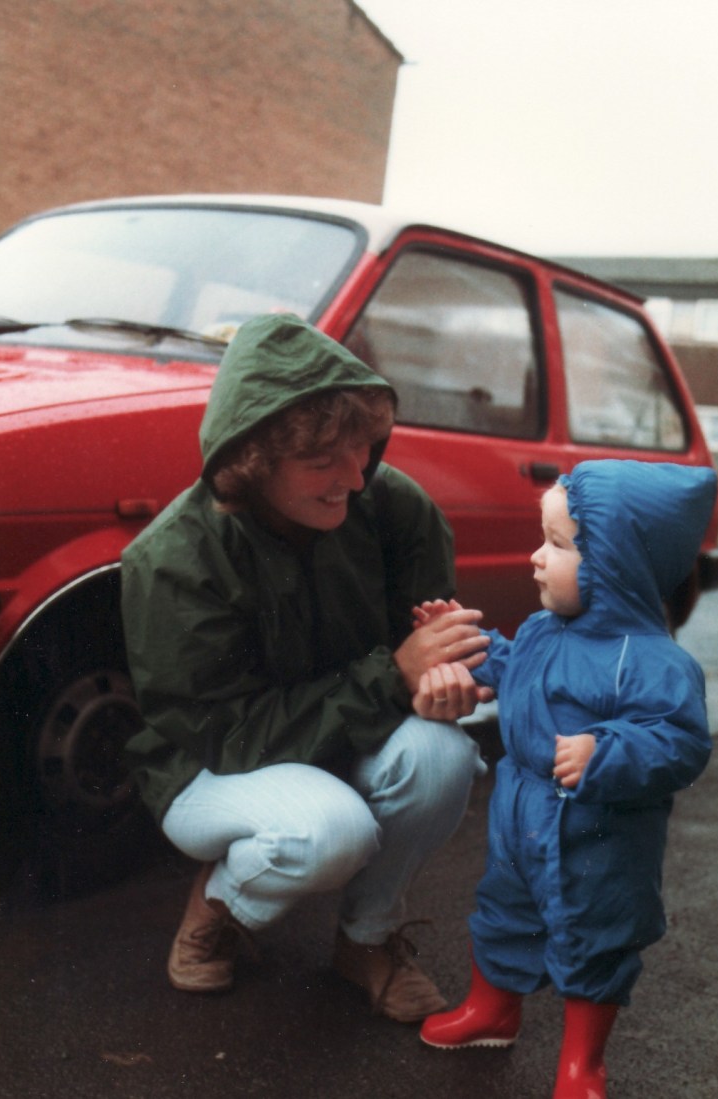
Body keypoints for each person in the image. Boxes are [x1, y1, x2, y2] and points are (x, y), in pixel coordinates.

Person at [120, 313, 492, 1023]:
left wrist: (443, 679)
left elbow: (425, 655)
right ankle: (221, 904)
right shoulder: (175, 558)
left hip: (338, 734)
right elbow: (224, 733)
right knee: (329, 832)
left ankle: (367, 939)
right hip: (210, 767)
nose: (354, 478)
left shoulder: (392, 506)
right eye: (324, 461)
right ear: (253, 461)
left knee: (444, 754)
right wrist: (394, 677)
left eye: (361, 450)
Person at [413, 459, 717, 1098]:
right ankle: (492, 1009)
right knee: (502, 914)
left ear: (615, 565)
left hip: (600, 841)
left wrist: (606, 752)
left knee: (597, 937)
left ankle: (582, 1064)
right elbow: (518, 667)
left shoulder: (656, 664)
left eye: (557, 544)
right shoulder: (545, 629)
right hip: (521, 819)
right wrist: (474, 647)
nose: (535, 557)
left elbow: (680, 742)